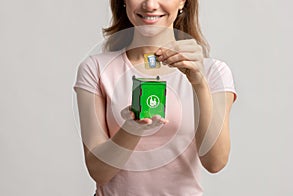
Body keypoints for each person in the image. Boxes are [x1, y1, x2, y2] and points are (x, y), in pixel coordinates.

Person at [74, 0, 237, 195]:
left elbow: (215, 162)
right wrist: (131, 129)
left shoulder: (213, 72)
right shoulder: (96, 69)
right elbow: (98, 172)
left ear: (183, 2)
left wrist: (199, 84)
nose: (150, 5)